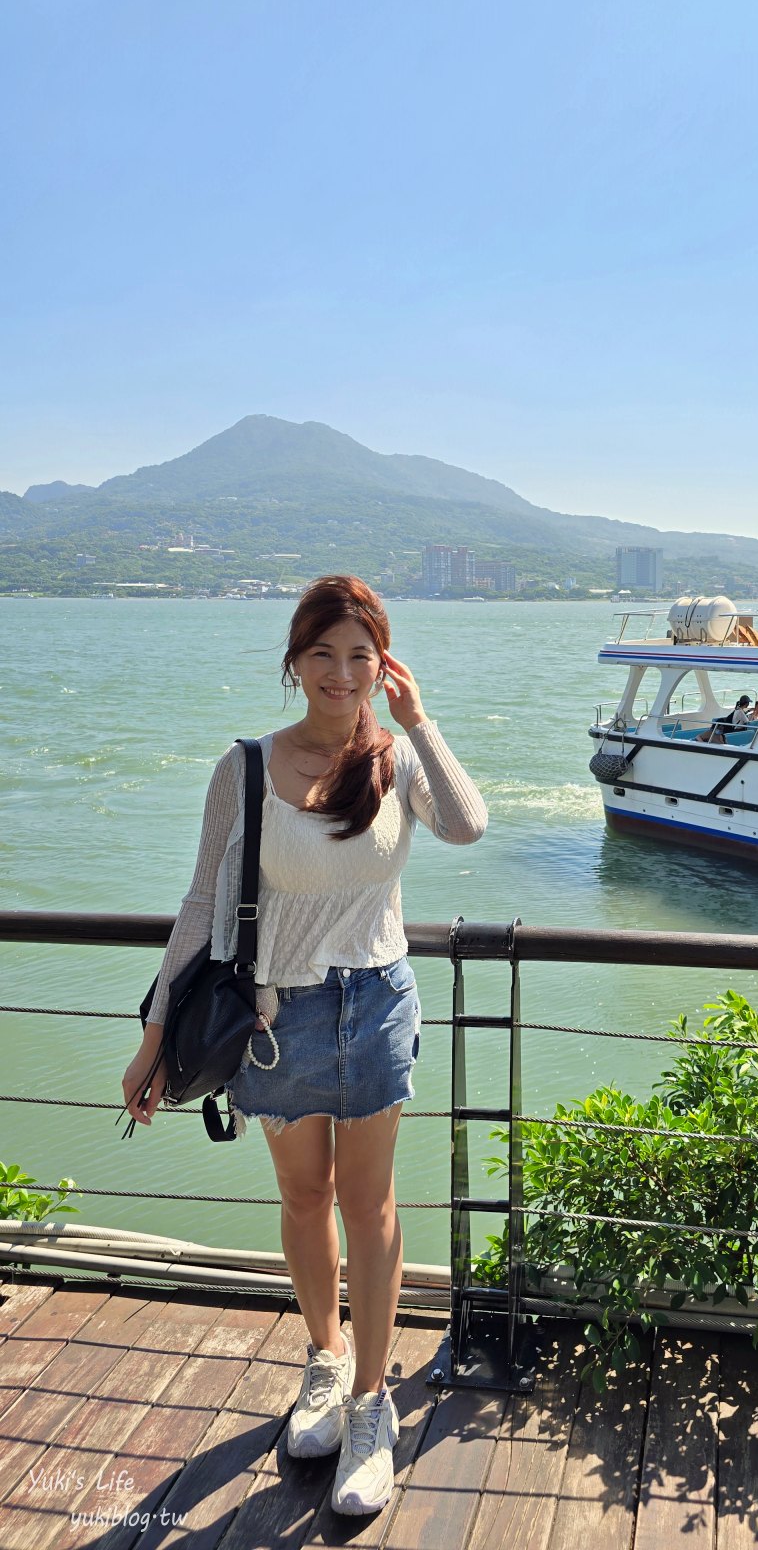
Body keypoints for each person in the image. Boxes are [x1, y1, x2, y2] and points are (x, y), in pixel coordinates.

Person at [121, 575, 487, 1517]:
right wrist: (156, 1033)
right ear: (294, 660)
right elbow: (201, 907)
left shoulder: (396, 761)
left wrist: (420, 721)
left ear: (383, 662)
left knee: (369, 1206)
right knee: (303, 1197)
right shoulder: (244, 768)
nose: (340, 672)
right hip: (275, 1023)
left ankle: (372, 1405)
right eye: (321, 653)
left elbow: (469, 824)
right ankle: (323, 1362)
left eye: (359, 654)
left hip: (376, 1002)